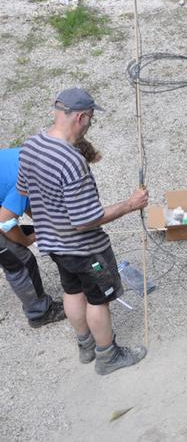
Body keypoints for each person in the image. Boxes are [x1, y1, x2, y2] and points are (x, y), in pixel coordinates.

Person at [17, 87, 149, 375]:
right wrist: (130, 204)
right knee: (98, 299)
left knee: (72, 290)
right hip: (85, 248)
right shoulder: (71, 161)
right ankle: (108, 356)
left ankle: (85, 345)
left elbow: (23, 191)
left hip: (53, 245)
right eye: (90, 118)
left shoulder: (30, 146)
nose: (90, 124)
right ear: (80, 117)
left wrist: (49, 219)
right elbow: (86, 220)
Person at [0, 148, 66, 328]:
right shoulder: (28, 178)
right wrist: (27, 240)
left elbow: (27, 200)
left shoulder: (30, 154)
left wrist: (46, 224)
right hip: (2, 219)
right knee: (20, 260)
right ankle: (40, 312)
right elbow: (5, 223)